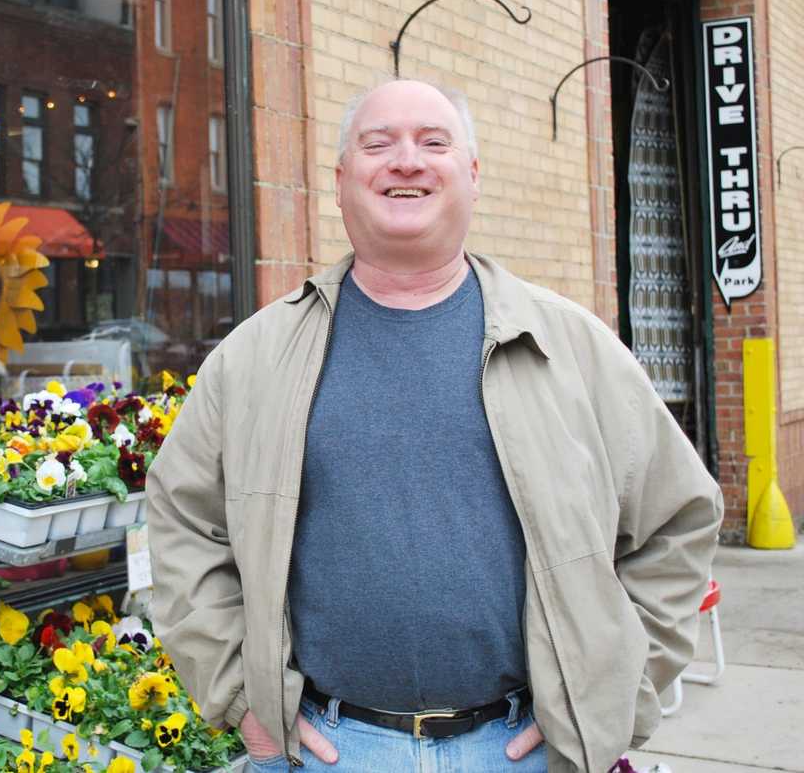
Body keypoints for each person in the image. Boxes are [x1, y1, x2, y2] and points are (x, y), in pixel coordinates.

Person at [145, 79, 722, 773]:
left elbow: (679, 520)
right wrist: (243, 698)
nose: (407, 161)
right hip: (324, 752)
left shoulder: (571, 347)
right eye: (378, 143)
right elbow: (181, 522)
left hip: (525, 752)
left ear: (472, 176)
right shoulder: (255, 357)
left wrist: (613, 699)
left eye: (434, 142)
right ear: (339, 181)